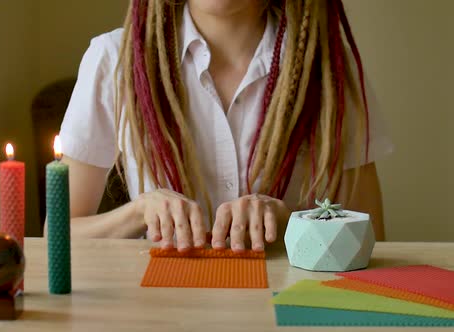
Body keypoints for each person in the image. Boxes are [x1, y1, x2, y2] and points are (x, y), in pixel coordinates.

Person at [55, 0, 393, 252]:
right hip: (157, 309)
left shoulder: (326, 68)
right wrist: (140, 212)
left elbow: (370, 237)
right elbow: (60, 233)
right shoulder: (112, 57)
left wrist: (290, 220)